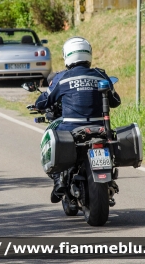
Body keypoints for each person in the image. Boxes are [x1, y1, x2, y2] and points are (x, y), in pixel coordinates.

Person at [35, 37, 121, 203]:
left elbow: (44, 101)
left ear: (67, 55)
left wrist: (38, 104)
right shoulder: (100, 74)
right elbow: (115, 102)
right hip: (100, 128)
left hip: (71, 128)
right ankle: (109, 178)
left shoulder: (62, 78)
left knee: (52, 138)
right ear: (88, 54)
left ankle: (59, 181)